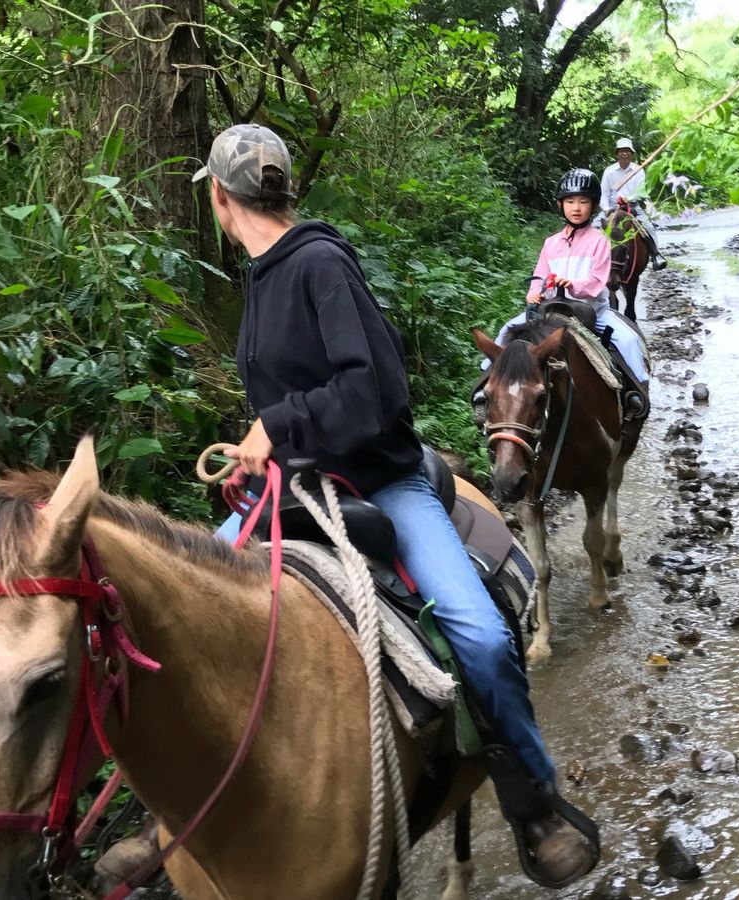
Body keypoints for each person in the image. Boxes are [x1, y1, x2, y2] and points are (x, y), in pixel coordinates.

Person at [195, 123, 597, 886]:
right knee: (180, 607)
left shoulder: (318, 265)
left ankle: (534, 799)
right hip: (295, 485)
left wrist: (275, 426)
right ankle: (176, 814)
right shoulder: (259, 274)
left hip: (380, 479)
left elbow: (375, 393)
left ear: (220, 198)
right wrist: (267, 450)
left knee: (478, 636)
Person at [477, 168, 649, 419]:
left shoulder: (600, 240)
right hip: (551, 311)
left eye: (583, 202)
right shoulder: (551, 243)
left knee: (629, 340)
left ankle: (636, 393)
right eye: (570, 202)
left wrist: (572, 285)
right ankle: (487, 386)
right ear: (561, 205)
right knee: (506, 331)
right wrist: (534, 293)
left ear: (592, 206)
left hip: (592, 311)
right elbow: (539, 276)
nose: (576, 208)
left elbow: (596, 281)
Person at [594, 137, 667, 270]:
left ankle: (655, 256)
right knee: (593, 228)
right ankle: (588, 259)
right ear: (617, 154)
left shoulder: (638, 170)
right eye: (621, 151)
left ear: (631, 154)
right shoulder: (609, 171)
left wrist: (629, 198)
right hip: (611, 208)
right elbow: (603, 194)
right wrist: (605, 209)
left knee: (648, 227)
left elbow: (641, 191)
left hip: (632, 207)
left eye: (627, 151)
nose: (624, 153)